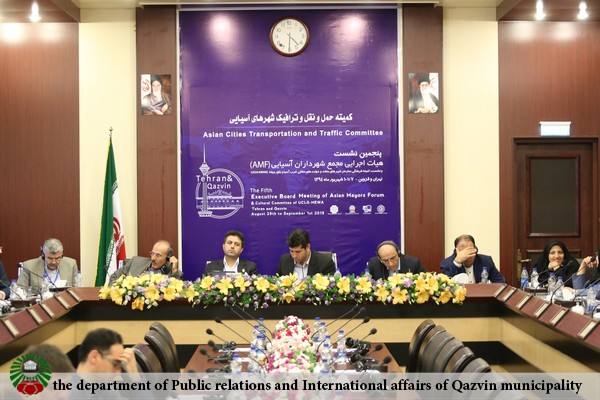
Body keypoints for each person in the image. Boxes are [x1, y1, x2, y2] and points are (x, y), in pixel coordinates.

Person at [109, 240, 181, 285]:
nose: (153, 258)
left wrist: (174, 270)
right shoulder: (135, 261)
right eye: (152, 253)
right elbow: (114, 277)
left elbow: (175, 291)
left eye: (158, 255)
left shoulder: (173, 273)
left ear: (168, 257)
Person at [440, 234, 505, 283]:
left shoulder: (486, 261)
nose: (467, 254)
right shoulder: (446, 264)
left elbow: (501, 282)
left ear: (475, 249)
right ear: (456, 252)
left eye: (470, 250)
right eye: (463, 251)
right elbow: (446, 286)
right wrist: (457, 263)